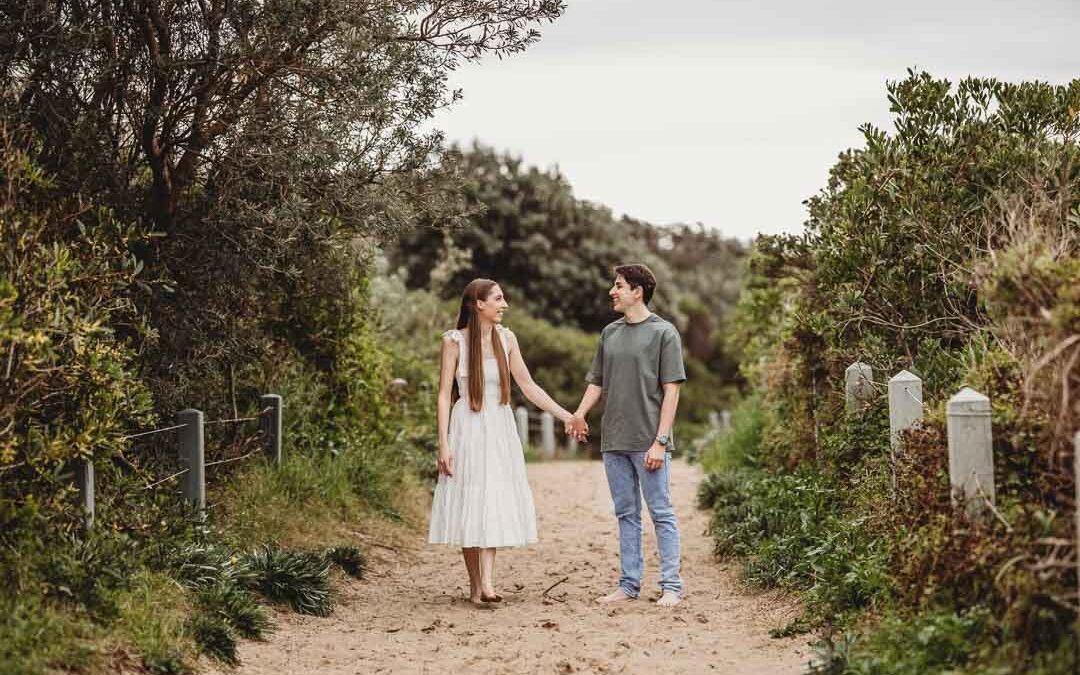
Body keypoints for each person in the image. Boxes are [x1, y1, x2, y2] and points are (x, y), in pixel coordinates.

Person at [428, 278, 587, 605]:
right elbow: (444, 395)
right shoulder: (454, 341)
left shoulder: (507, 338)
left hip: (498, 427)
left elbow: (529, 387)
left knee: (492, 497)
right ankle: (475, 586)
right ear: (478, 304)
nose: (505, 305)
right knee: (468, 500)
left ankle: (487, 582)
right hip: (466, 426)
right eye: (498, 299)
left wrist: (566, 415)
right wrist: (443, 444)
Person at [572, 263, 686, 607]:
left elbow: (672, 392)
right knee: (626, 514)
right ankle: (628, 584)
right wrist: (579, 413)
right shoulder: (610, 333)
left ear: (638, 291)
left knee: (661, 512)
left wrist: (660, 441)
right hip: (614, 441)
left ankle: (671, 586)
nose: (612, 291)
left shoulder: (665, 333)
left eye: (619, 285)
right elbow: (597, 381)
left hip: (649, 442)